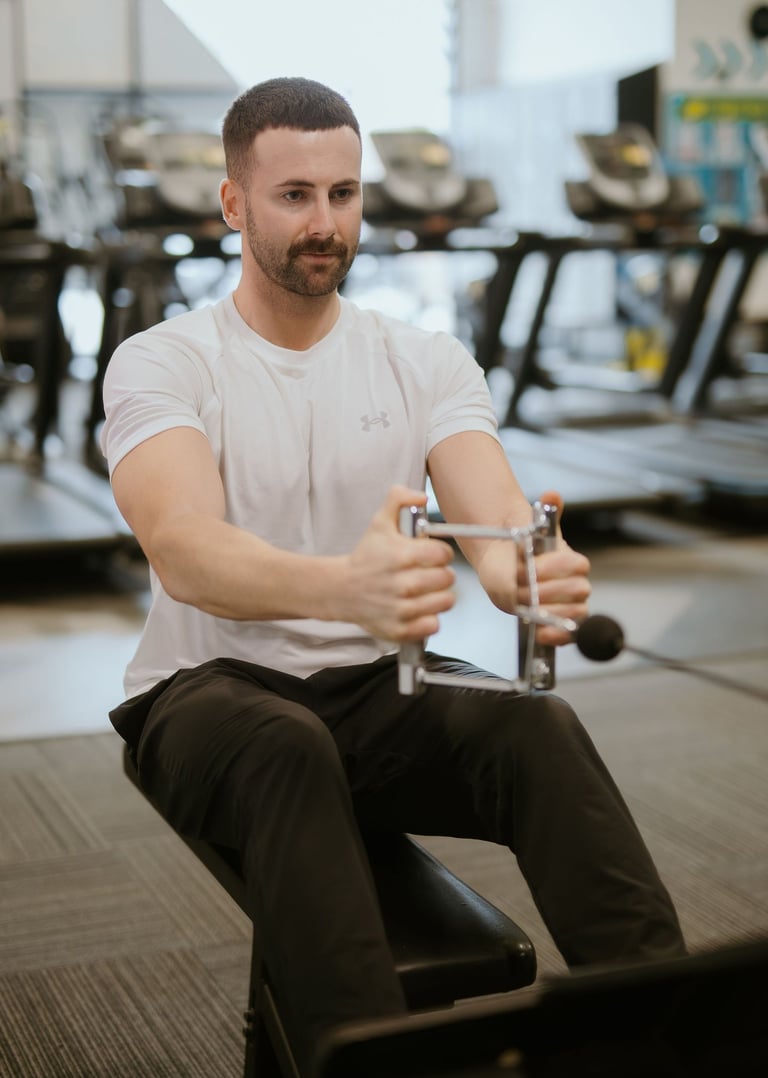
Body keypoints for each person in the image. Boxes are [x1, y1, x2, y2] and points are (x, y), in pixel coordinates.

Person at [101, 77, 686, 1075]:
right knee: (288, 747)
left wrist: (527, 574)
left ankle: (667, 1041)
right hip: (206, 693)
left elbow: (496, 521)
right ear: (234, 203)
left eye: (343, 192)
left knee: (531, 722)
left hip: (380, 686)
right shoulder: (165, 361)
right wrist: (346, 588)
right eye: (294, 196)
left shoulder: (424, 359)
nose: (325, 222)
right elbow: (184, 550)